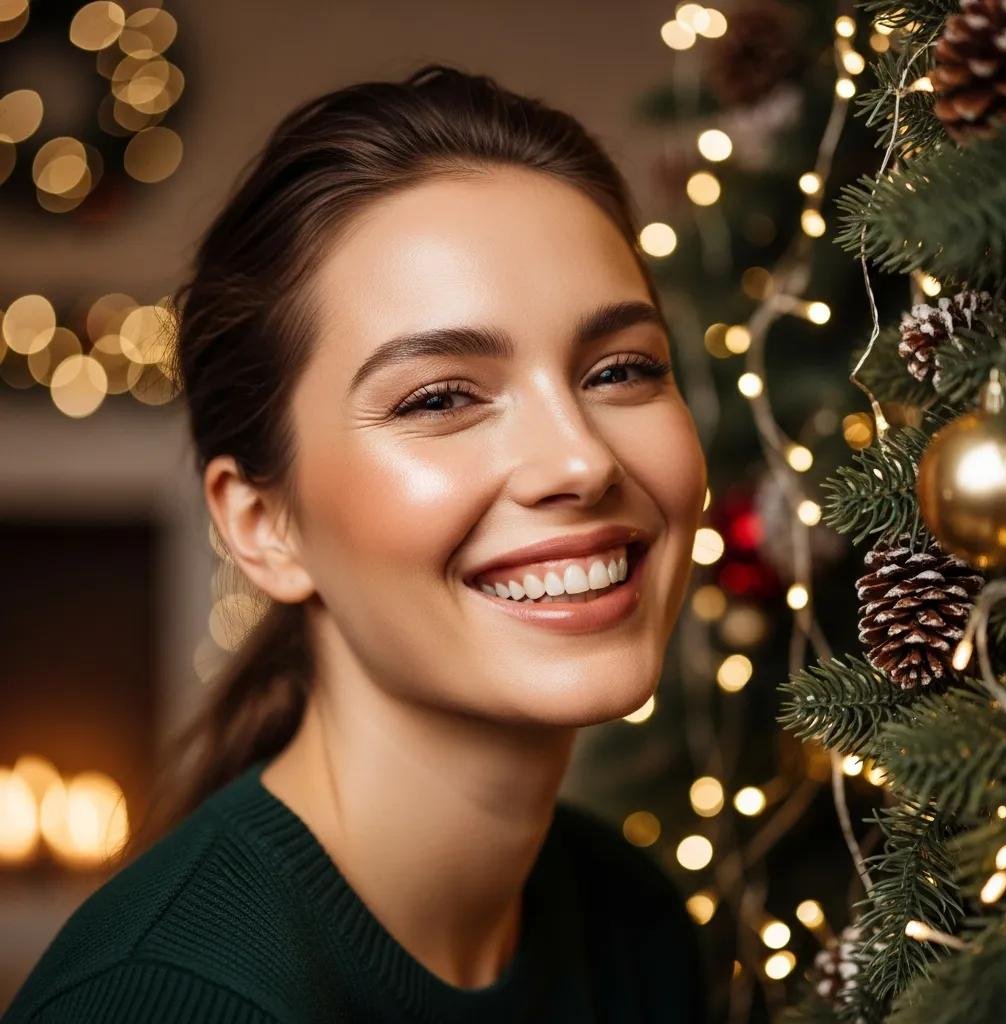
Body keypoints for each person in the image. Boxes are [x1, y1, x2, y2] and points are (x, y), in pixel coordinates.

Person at [3, 62, 708, 1023]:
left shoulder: (635, 926)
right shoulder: (166, 1000)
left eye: (622, 370)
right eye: (442, 397)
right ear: (263, 526)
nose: (580, 461)